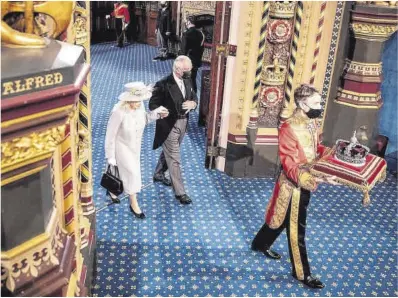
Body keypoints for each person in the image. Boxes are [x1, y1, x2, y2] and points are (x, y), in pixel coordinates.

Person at [251, 84, 339, 289]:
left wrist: (334, 154)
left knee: (280, 218)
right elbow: (289, 164)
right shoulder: (288, 127)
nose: (320, 106)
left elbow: (315, 148)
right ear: (302, 103)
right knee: (296, 230)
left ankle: (260, 244)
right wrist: (317, 180)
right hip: (293, 186)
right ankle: (302, 273)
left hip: (305, 179)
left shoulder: (311, 121)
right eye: (317, 102)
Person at [105, 82, 169, 219]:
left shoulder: (139, 107)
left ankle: (111, 189)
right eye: (136, 101)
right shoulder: (118, 112)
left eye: (140, 101)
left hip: (135, 146)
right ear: (128, 99)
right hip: (120, 147)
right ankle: (133, 203)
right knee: (132, 173)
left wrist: (157, 114)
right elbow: (110, 135)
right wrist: (110, 156)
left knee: (120, 172)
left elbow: (144, 119)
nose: (139, 104)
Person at [148, 56, 198, 204]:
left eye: (190, 69)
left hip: (184, 124)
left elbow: (194, 97)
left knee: (169, 152)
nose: (189, 72)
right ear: (177, 69)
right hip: (169, 126)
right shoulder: (163, 84)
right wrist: (160, 110)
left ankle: (158, 173)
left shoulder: (188, 80)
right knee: (175, 158)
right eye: (186, 70)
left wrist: (193, 104)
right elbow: (152, 104)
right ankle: (180, 193)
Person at [180, 15, 205, 93]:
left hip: (187, 62)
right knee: (193, 79)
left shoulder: (186, 34)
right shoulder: (201, 34)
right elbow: (202, 48)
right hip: (196, 61)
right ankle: (194, 98)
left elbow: (183, 52)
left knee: (185, 81)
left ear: (188, 22)